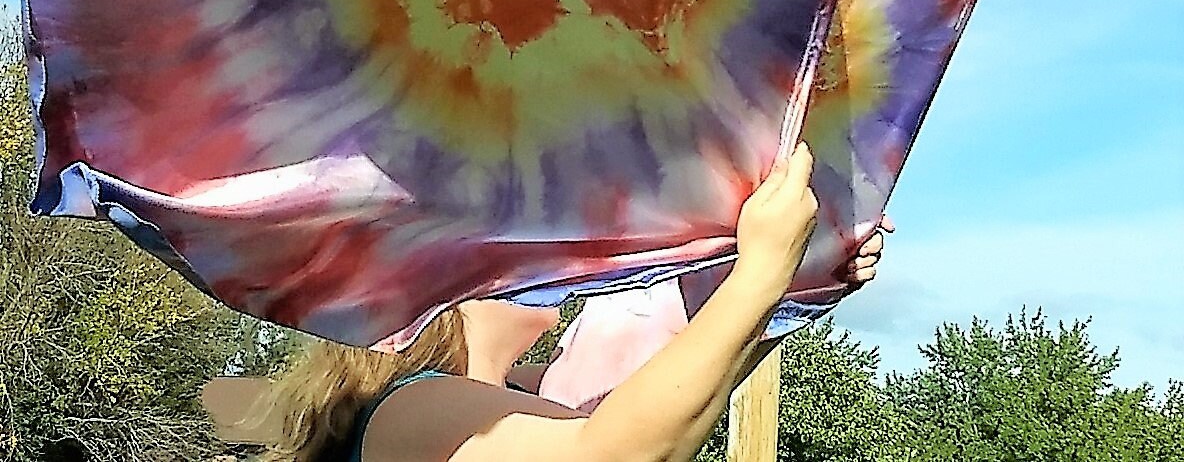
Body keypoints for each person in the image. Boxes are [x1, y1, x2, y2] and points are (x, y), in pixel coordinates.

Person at [256, 143, 892, 462]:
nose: (564, 276)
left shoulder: (528, 396)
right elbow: (618, 453)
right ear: (453, 291)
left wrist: (793, 288)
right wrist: (761, 275)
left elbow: (679, 397)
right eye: (530, 261)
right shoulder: (411, 404)